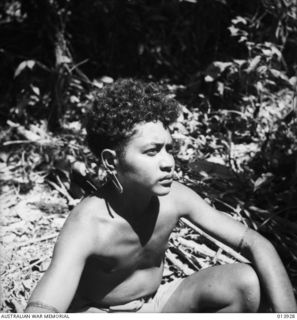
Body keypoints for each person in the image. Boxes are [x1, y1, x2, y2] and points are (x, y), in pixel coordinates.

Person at [25, 79, 297, 313]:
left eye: (169, 149)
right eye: (152, 151)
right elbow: (45, 307)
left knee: (246, 283)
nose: (168, 162)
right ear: (110, 161)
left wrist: (287, 315)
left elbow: (252, 240)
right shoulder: (88, 224)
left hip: (158, 304)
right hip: (100, 311)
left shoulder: (175, 198)